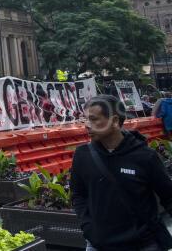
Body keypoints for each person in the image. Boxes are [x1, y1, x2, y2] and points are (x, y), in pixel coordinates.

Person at [70, 94, 172, 251]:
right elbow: (78, 194)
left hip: (143, 244)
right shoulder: (83, 155)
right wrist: (89, 228)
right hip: (99, 245)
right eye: (85, 119)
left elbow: (168, 197)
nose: (87, 125)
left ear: (115, 121)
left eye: (94, 119)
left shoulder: (145, 156)